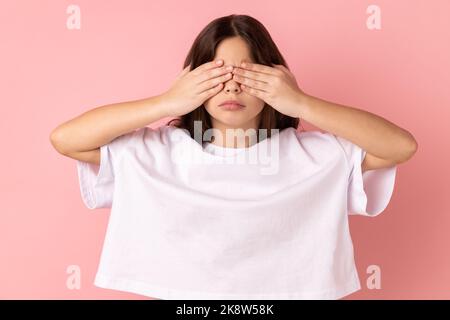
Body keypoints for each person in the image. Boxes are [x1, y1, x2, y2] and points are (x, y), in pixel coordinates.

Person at [49, 14, 417, 300]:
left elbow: (400, 146)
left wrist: (301, 102)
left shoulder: (315, 156)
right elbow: (66, 139)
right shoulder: (155, 151)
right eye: (217, 74)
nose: (232, 87)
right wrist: (165, 103)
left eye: (247, 74)